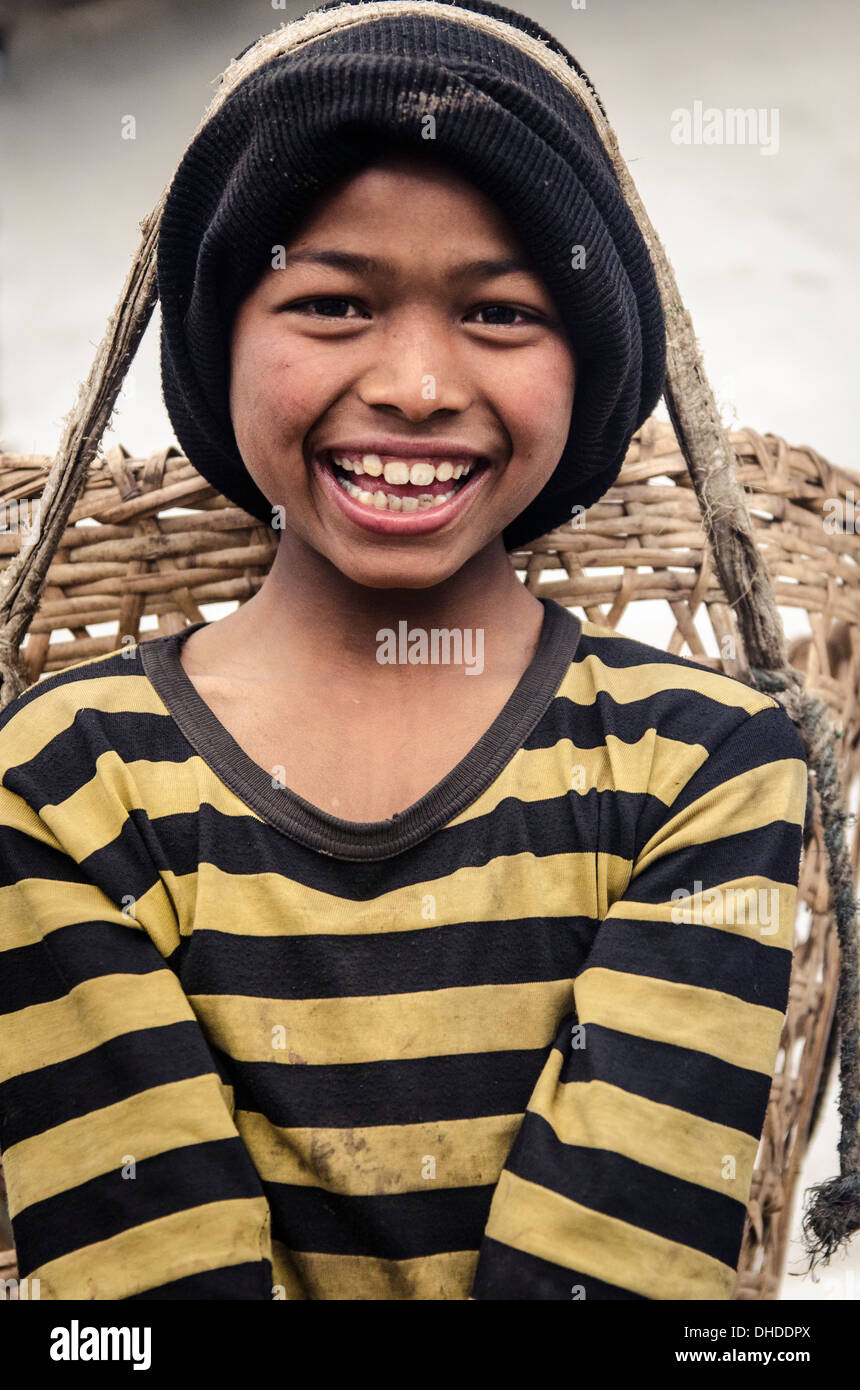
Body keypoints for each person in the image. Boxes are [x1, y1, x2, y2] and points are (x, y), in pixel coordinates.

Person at [0, 0, 807, 1300]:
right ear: (220, 338)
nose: (420, 383)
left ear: (592, 366)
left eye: (498, 315)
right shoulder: (60, 781)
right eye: (331, 301)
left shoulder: (706, 767)